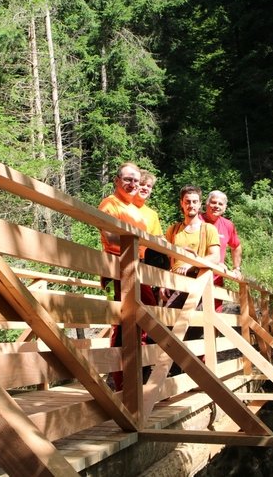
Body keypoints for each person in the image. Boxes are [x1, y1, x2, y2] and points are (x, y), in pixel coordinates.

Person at [98, 162, 156, 390]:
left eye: (136, 180)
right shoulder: (110, 204)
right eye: (128, 179)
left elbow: (149, 243)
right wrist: (139, 240)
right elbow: (112, 238)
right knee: (123, 323)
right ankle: (119, 380)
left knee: (146, 319)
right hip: (118, 268)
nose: (133, 184)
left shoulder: (135, 210)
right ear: (116, 181)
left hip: (139, 268)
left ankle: (140, 373)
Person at [163, 185, 220, 309]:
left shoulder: (209, 229)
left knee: (194, 325)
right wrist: (163, 283)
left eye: (195, 202)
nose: (191, 205)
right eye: (187, 202)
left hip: (198, 283)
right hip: (175, 282)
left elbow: (215, 257)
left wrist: (192, 264)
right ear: (182, 204)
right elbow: (166, 258)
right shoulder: (173, 230)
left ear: (200, 204)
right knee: (168, 321)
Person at [202, 190, 242, 313]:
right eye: (213, 202)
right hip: (195, 274)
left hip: (216, 279)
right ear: (206, 204)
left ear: (225, 208)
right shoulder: (197, 220)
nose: (216, 206)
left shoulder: (228, 225)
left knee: (214, 315)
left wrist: (236, 268)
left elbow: (236, 246)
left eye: (220, 204)